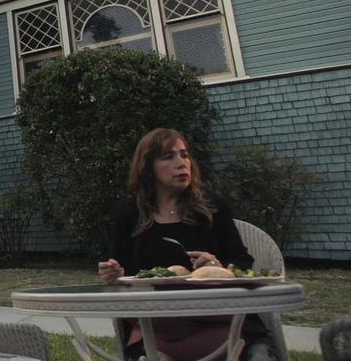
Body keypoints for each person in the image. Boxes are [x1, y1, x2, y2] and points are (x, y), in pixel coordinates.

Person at [98, 128, 269, 361]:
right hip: (157, 322)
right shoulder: (129, 213)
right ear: (148, 167)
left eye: (184, 155)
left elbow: (242, 260)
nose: (182, 163)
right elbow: (119, 269)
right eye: (169, 157)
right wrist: (113, 273)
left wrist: (217, 266)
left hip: (214, 316)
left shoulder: (212, 207)